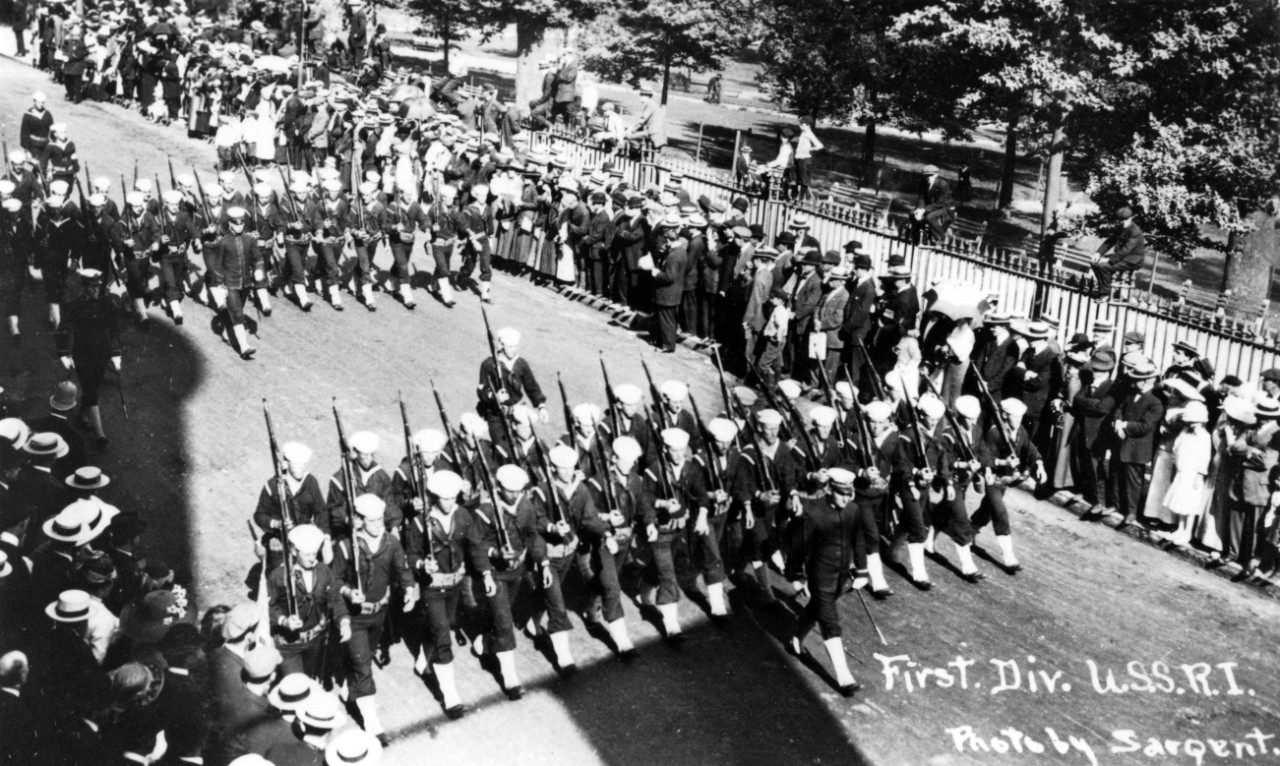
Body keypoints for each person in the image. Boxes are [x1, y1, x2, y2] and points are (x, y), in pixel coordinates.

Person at [331, 494, 416, 741]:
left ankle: (351, 685)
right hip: (355, 617)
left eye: (380, 519)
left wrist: (410, 589)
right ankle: (372, 723)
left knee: (363, 657)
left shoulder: (391, 543)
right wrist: (348, 591)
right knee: (363, 665)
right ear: (359, 520)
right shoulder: (347, 547)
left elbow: (402, 570)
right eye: (371, 521)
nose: (378, 525)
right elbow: (334, 582)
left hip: (378, 613)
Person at [404, 470, 485, 717]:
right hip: (432, 587)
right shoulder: (420, 522)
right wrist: (420, 565)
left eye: (454, 497)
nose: (451, 502)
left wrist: (486, 573)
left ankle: (423, 655)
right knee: (442, 634)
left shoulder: (463, 516)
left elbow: (475, 546)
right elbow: (411, 554)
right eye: (445, 498)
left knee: (443, 625)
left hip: (454, 584)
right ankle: (450, 696)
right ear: (434, 496)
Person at [785, 467, 862, 697]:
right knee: (830, 622)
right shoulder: (814, 513)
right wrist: (797, 578)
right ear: (829, 489)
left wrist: (863, 571)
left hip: (841, 577)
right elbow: (797, 548)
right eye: (841, 494)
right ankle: (844, 678)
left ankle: (795, 641)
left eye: (849, 494)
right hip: (819, 576)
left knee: (817, 609)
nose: (846, 498)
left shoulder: (853, 510)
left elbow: (858, 540)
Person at [972, 399, 1046, 572]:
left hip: (1006, 480)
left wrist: (1040, 464)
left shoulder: (1020, 431)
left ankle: (970, 529)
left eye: (1021, 417)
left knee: (988, 509)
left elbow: (1031, 448)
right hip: (994, 479)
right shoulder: (994, 433)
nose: (1019, 420)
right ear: (1005, 416)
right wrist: (998, 464)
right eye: (1016, 416)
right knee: (999, 511)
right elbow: (985, 456)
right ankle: (1008, 556)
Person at [267, 523, 351, 677]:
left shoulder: (324, 572)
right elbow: (268, 607)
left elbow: (335, 598)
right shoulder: (278, 576)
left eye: (315, 553)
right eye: (307, 555)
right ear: (293, 550)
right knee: (296, 686)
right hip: (288, 645)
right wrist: (283, 621)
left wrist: (343, 620)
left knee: (309, 680)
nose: (312, 559)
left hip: (314, 641)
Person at [55, 269, 121, 445]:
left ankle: (81, 416)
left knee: (94, 386)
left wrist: (116, 353)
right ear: (83, 287)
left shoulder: (108, 304)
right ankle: (100, 435)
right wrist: (63, 353)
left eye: (97, 286)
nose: (94, 290)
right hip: (82, 353)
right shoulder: (74, 305)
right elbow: (63, 329)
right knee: (91, 390)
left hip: (102, 352)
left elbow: (114, 330)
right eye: (90, 287)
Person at [1101, 362, 1164, 529]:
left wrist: (1124, 426)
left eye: (1136, 380)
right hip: (1120, 441)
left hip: (1137, 448)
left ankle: (1131, 512)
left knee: (1133, 481)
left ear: (1145, 381)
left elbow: (1145, 427)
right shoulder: (1130, 393)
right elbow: (1119, 409)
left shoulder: (1155, 402)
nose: (1132, 382)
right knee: (1115, 473)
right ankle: (1114, 503)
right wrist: (1117, 423)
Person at [206, 207, 263, 360]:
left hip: (246, 284)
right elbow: (217, 266)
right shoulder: (223, 242)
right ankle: (244, 347)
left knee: (236, 312)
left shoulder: (250, 239)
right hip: (230, 284)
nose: (239, 226)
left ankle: (229, 329)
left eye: (242, 223)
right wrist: (219, 284)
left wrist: (258, 270)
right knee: (238, 314)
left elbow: (258, 258)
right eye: (236, 224)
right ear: (230, 224)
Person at [1159, 401, 1212, 548]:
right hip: (1182, 472)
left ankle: (1187, 532)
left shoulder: (1204, 437)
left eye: (1196, 422)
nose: (1192, 425)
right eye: (1190, 422)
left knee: (1189, 505)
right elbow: (1177, 447)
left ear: (1202, 421)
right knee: (1180, 503)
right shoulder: (1185, 433)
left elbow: (1204, 457)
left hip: (1193, 475)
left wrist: (1199, 475)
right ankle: (1180, 529)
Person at [1090, 206, 1146, 301]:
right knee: (1094, 263)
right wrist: (1098, 253)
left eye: (1125, 220)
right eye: (1121, 220)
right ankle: (1103, 289)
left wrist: (1109, 259)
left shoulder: (1135, 231)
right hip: (1123, 257)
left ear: (1131, 218)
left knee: (1103, 266)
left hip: (1132, 260)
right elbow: (1110, 241)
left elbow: (1126, 250)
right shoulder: (1120, 228)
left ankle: (1105, 293)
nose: (1123, 222)